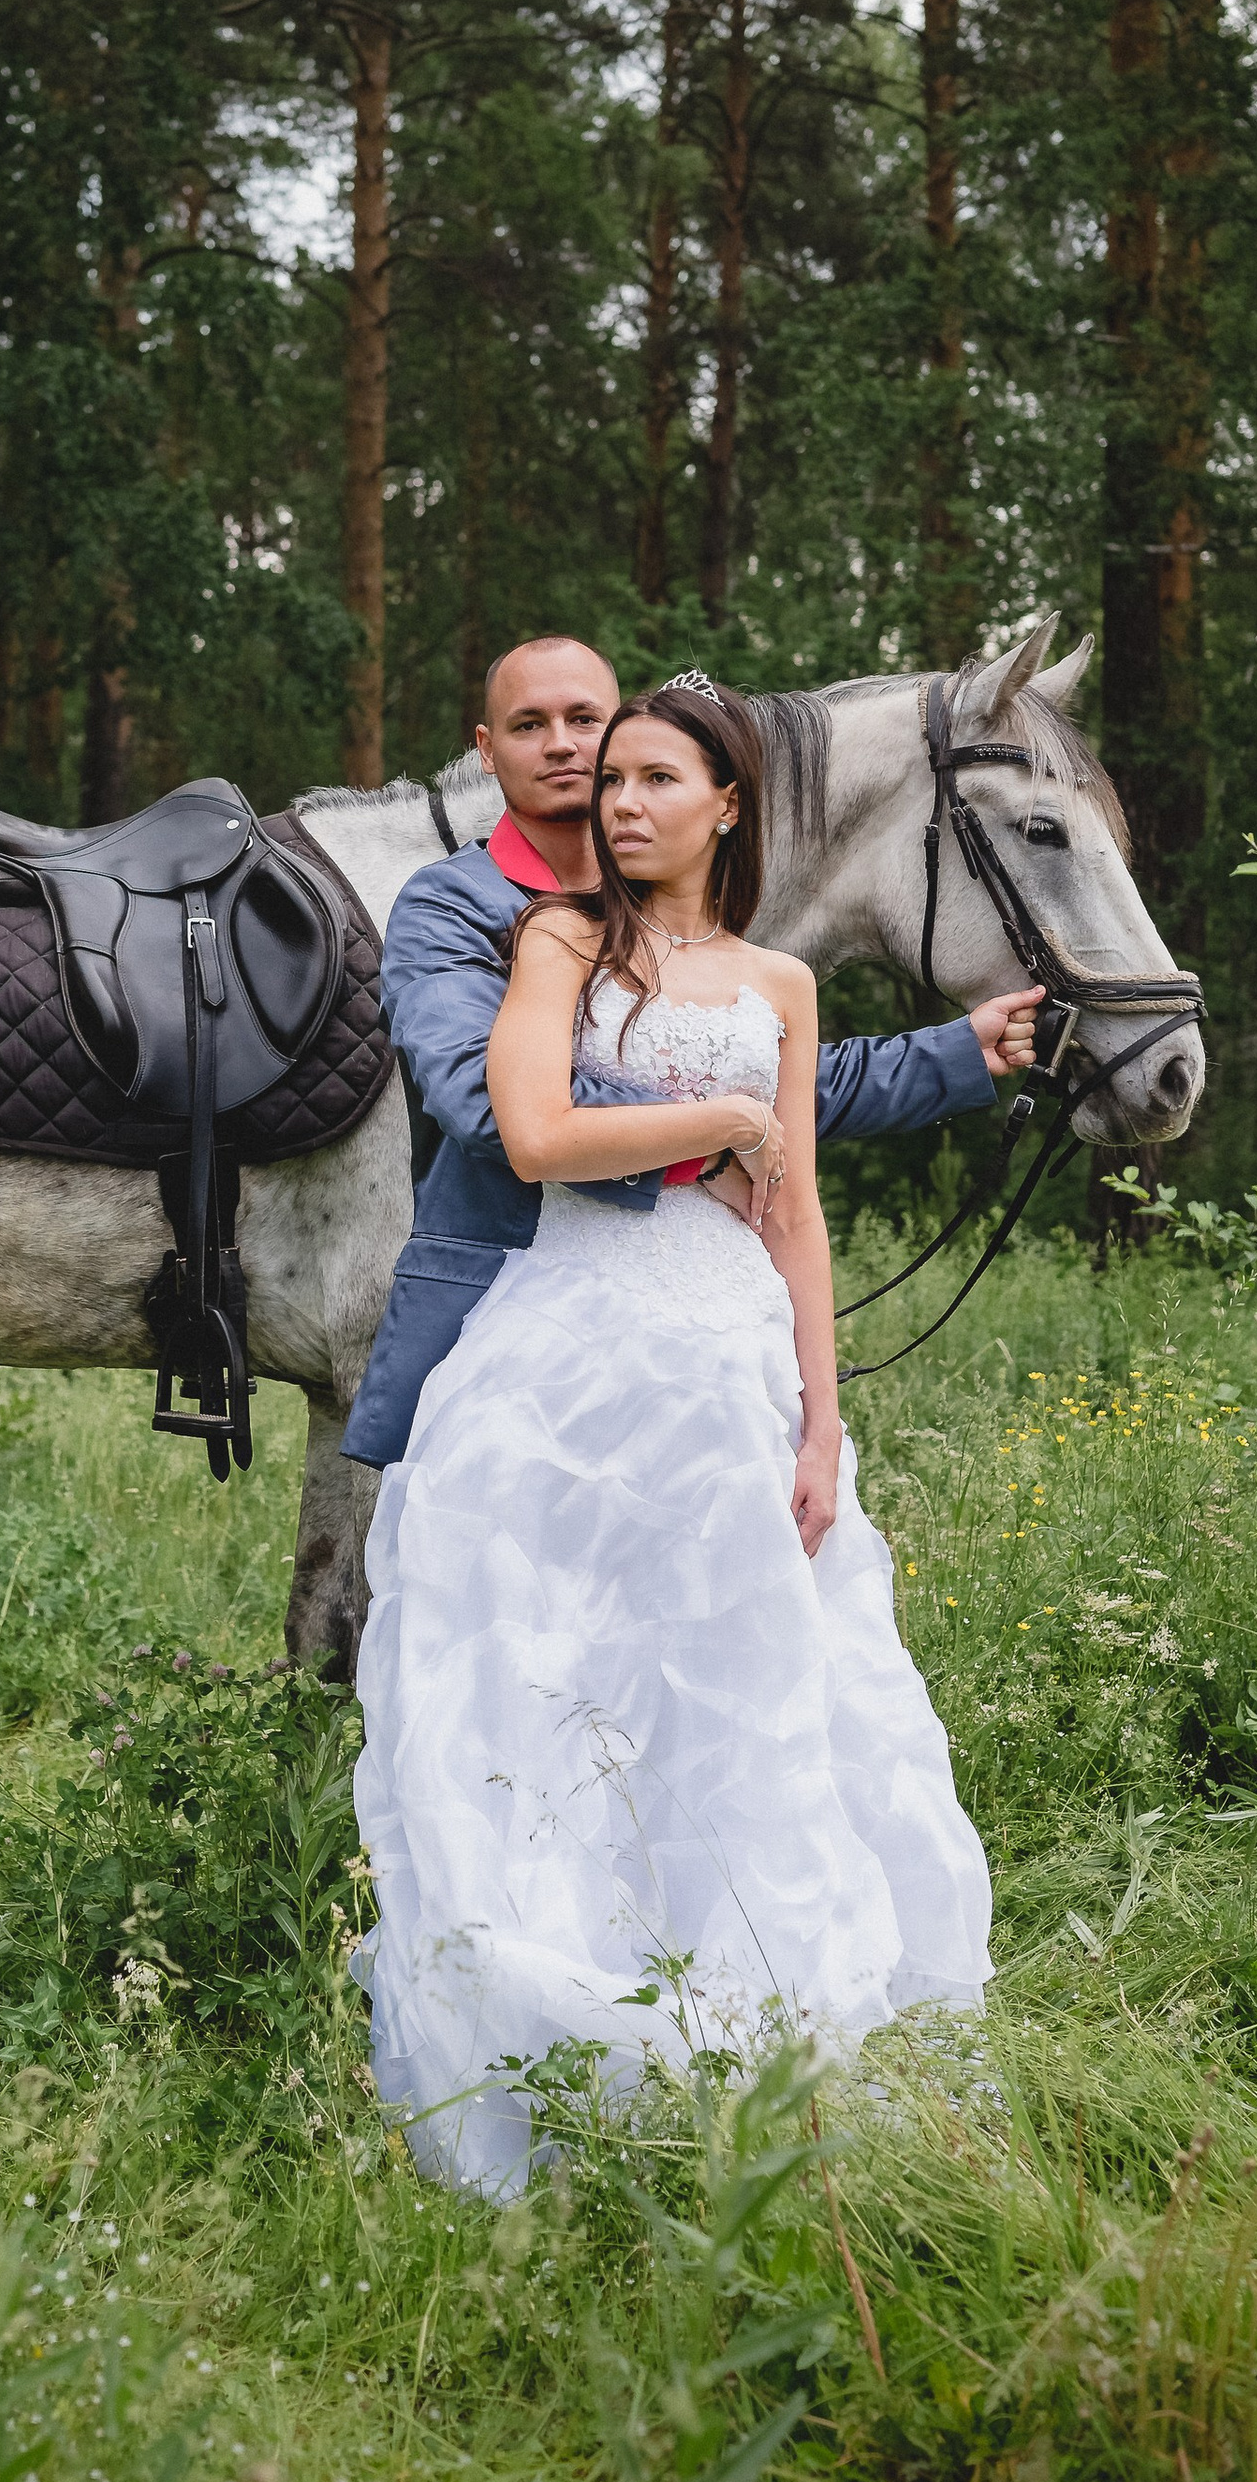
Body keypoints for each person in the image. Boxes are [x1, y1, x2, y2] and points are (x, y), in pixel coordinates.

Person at [350, 671, 994, 2195]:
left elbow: (798, 1216)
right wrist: (721, 1123)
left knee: (741, 1681)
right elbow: (534, 1133)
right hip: (568, 1350)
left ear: (726, 805)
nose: (621, 800)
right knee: (559, 1676)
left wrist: (822, 1422)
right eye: (612, 777)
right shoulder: (560, 940)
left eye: (654, 778)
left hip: (730, 1361)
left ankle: (747, 2024)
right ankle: (552, 2027)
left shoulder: (782, 983)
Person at [342, 632, 1042, 1473]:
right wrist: (707, 1148)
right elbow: (483, 1101)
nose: (561, 744)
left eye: (584, 720)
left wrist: (952, 1054)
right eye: (530, 724)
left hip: (698, 1309)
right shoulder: (451, 905)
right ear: (487, 751)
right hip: (509, 1296)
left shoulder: (689, 920)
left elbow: (763, 1094)